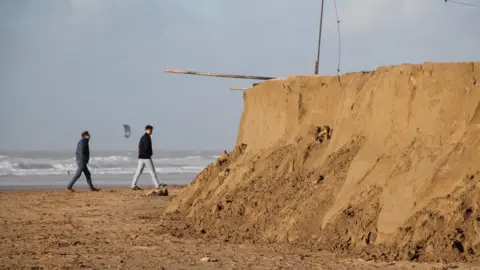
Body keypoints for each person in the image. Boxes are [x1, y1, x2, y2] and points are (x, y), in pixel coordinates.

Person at [131, 125, 166, 190]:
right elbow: (146, 148)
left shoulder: (143, 137)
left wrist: (143, 153)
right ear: (147, 130)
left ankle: (133, 184)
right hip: (146, 158)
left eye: (152, 130)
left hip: (141, 157)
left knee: (138, 171)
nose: (151, 131)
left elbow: (140, 147)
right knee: (152, 172)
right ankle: (157, 185)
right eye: (151, 130)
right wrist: (150, 153)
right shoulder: (147, 137)